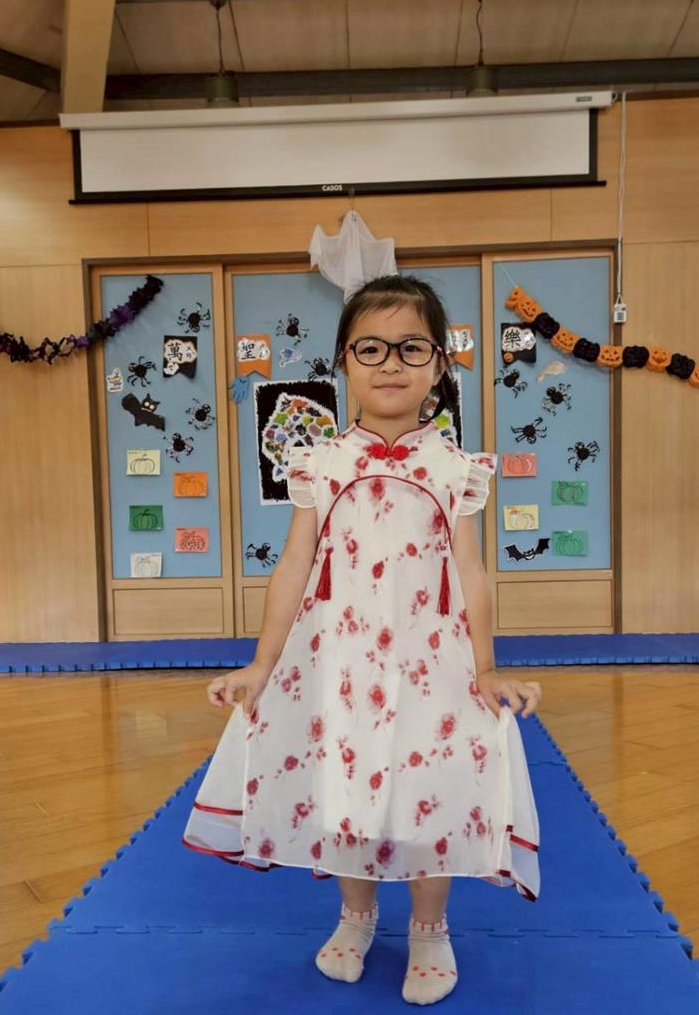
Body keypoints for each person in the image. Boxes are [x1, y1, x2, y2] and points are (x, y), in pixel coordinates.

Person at [183, 274, 542, 1005]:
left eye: (412, 347)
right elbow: (295, 563)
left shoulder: (456, 467)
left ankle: (430, 929)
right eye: (370, 348)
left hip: (431, 666)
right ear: (343, 361)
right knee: (345, 790)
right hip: (339, 664)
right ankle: (356, 915)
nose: (390, 363)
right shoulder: (318, 462)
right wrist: (261, 664)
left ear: (439, 364)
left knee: (428, 793)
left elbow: (470, 569)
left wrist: (486, 667)